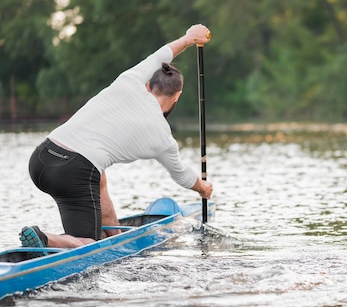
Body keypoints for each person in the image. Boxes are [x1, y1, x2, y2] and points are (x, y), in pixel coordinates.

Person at [21, 24, 213, 252]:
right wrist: (203, 189)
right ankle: (46, 238)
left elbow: (162, 54)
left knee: (100, 177)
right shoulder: (163, 137)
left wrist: (189, 38)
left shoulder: (130, 78)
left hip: (41, 158)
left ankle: (114, 235)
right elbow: (182, 175)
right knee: (87, 244)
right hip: (74, 173)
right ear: (177, 97)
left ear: (149, 84)